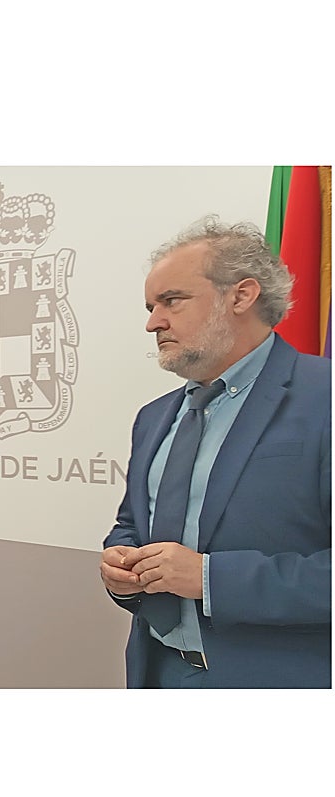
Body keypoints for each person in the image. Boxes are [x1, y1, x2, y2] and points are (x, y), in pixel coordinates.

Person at [101, 217, 331, 688]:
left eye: (171, 301)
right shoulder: (154, 417)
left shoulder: (323, 399)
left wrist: (210, 579)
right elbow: (132, 523)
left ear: (241, 296)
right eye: (150, 306)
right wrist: (120, 563)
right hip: (158, 671)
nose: (153, 322)